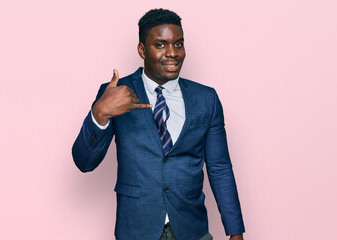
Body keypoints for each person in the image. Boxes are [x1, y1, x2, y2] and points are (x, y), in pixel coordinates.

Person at [72, 8, 245, 240]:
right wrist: (100, 114)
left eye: (179, 44)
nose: (172, 53)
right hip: (136, 229)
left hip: (192, 229)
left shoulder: (206, 98)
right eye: (160, 45)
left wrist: (235, 231)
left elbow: (220, 168)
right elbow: (84, 162)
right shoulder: (114, 93)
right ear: (142, 50)